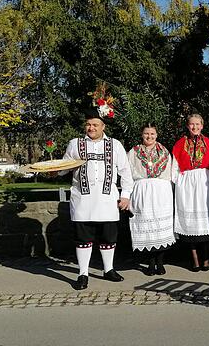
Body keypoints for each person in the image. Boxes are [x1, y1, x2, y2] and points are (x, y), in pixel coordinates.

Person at [60, 104, 133, 290]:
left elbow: (125, 172)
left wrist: (125, 195)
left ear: (103, 127)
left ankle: (108, 269)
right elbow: (64, 167)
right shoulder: (74, 144)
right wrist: (54, 171)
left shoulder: (115, 145)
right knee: (83, 237)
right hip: (83, 200)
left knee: (109, 236)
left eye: (95, 124)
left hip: (107, 200)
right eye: (88, 125)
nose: (91, 128)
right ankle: (83, 273)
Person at [127, 123, 177, 276]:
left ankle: (160, 262)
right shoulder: (133, 152)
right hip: (142, 192)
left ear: (157, 135)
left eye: (152, 134)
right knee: (147, 227)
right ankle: (150, 263)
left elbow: (172, 173)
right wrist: (127, 195)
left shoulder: (165, 152)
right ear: (142, 135)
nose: (149, 137)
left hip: (161, 193)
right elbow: (128, 174)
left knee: (161, 228)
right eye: (146, 134)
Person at [172, 114, 209, 271]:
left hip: (204, 183)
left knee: (204, 222)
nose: (195, 127)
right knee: (190, 224)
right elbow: (174, 168)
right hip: (187, 183)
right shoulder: (180, 144)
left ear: (202, 126)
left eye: (197, 124)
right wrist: (179, 184)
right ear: (187, 126)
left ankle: (206, 258)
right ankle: (195, 259)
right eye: (192, 124)